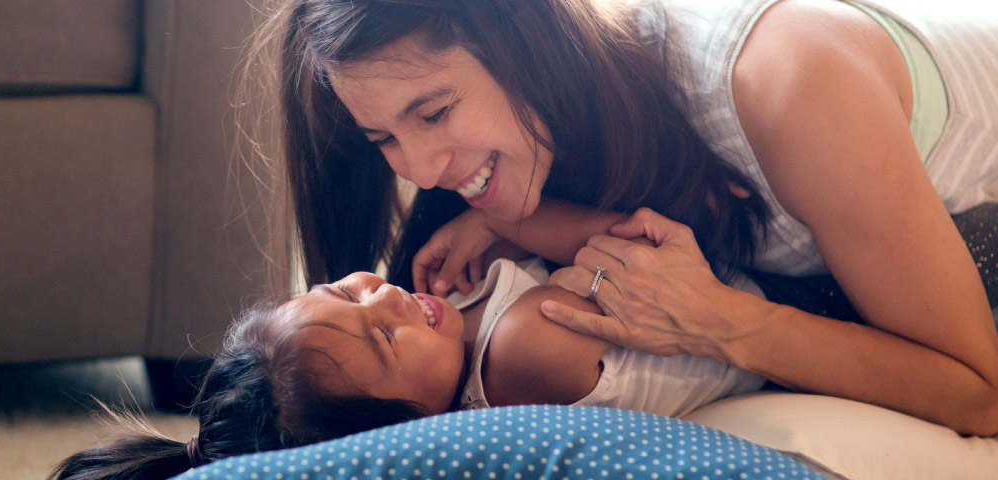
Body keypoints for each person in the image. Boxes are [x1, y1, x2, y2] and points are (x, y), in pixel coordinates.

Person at [237, 0, 998, 435]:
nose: (420, 171)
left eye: (433, 113)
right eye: (385, 141)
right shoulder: (534, 157)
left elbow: (982, 392)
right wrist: (508, 226)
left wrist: (722, 321)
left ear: (523, 43)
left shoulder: (785, 81)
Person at [49, 254, 765, 480]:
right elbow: (612, 250)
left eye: (346, 292)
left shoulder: (451, 316)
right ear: (410, 429)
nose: (386, 295)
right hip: (785, 305)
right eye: (386, 342)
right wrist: (511, 227)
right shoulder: (519, 356)